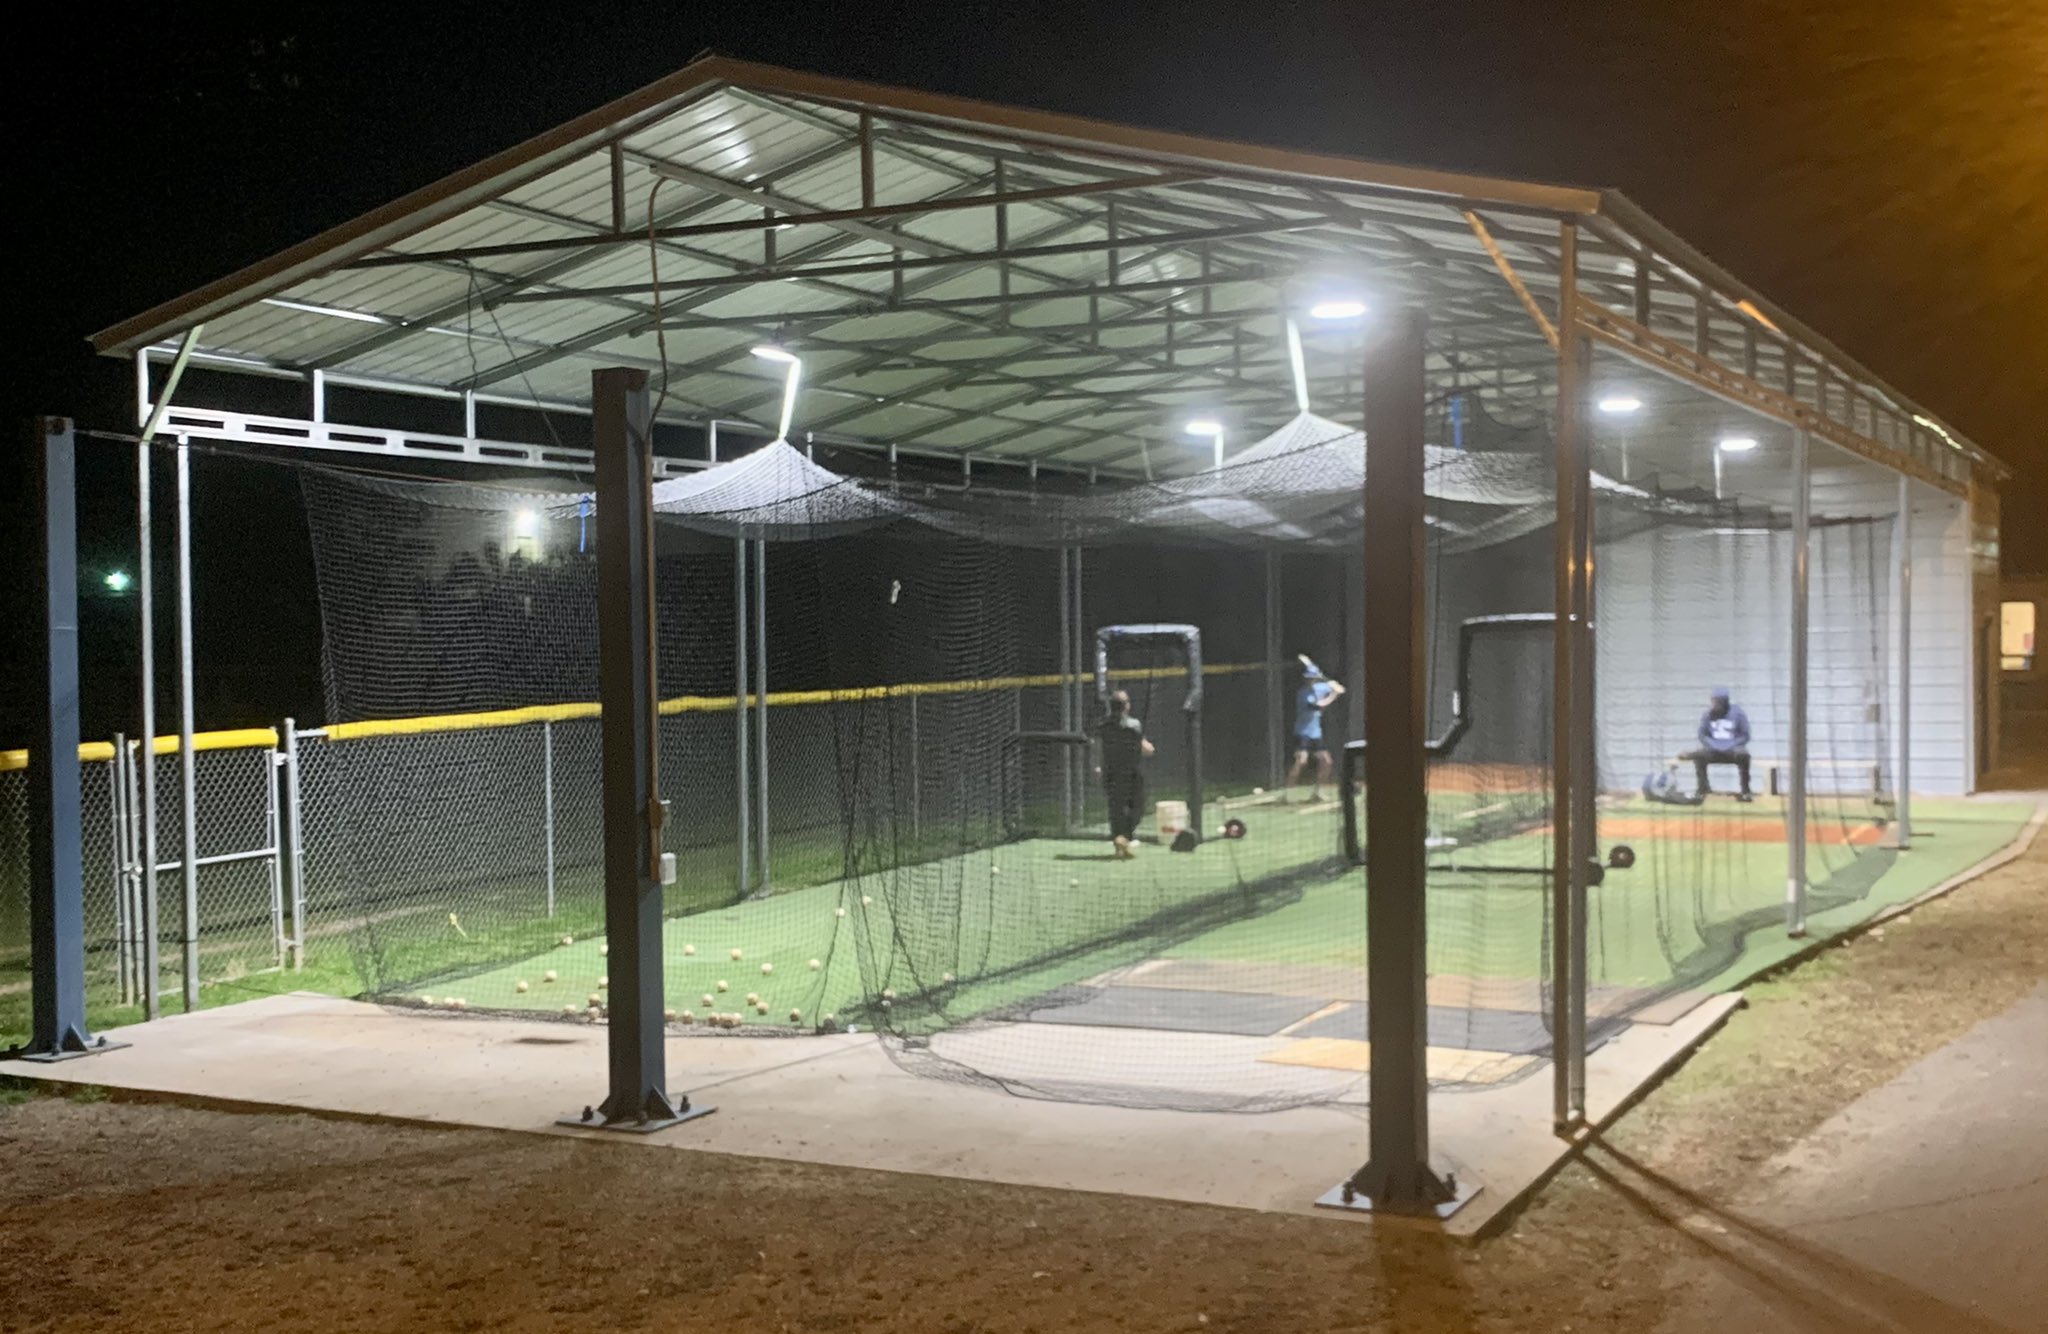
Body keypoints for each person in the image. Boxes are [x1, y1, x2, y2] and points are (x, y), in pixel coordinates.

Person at [1094, 689, 1155, 859]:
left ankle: (1120, 841)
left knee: (1116, 809)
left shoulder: (1102, 725)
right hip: (1131, 774)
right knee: (1138, 807)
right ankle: (1124, 838)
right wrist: (1149, 748)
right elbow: (1146, 749)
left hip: (1111, 773)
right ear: (1126, 706)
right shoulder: (1134, 725)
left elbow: (1097, 747)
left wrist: (1097, 766)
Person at [1285, 655, 1346, 802]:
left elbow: (1341, 689)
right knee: (1301, 761)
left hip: (1315, 732)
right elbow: (1319, 705)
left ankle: (1318, 792)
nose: (1310, 681)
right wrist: (1333, 695)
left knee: (1326, 762)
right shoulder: (1303, 694)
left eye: (1312, 678)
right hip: (1303, 732)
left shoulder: (1320, 686)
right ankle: (1287, 793)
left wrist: (1334, 687)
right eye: (1308, 678)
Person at [1686, 686, 1754, 801]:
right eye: (1713, 700)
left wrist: (1731, 745)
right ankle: (1703, 789)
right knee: (1699, 756)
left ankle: (1746, 791)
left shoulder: (1738, 713)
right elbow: (1702, 735)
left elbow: (1745, 735)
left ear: (1725, 701)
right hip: (1714, 750)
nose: (1714, 704)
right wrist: (1713, 745)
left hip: (1732, 750)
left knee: (1744, 756)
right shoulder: (1707, 715)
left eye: (1717, 701)